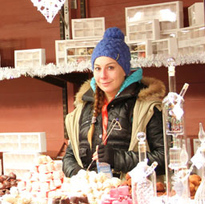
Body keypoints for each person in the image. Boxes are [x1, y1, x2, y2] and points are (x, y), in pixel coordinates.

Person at [62, 27, 166, 178]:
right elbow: (69, 156)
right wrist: (82, 177)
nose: (103, 76)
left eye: (110, 67)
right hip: (91, 194)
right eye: (97, 68)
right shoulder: (83, 106)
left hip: (130, 194)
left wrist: (117, 158)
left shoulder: (146, 106)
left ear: (124, 69)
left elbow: (164, 158)